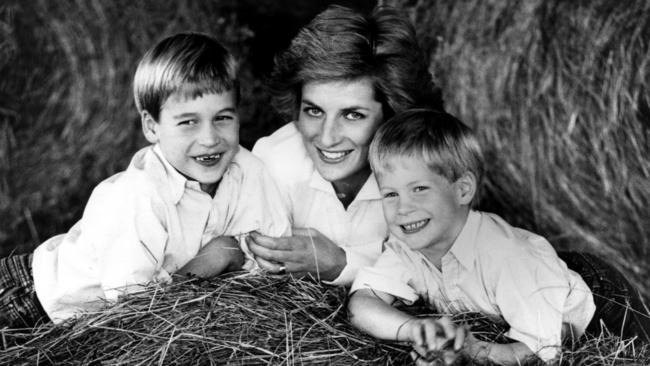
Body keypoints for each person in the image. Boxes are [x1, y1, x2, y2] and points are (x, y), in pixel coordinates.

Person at [0, 33, 290, 328]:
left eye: (223, 118)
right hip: (27, 299)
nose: (210, 138)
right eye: (188, 122)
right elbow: (136, 313)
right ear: (152, 128)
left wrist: (249, 259)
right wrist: (215, 257)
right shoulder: (137, 196)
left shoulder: (248, 170)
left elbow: (273, 258)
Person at [348, 109, 650, 364]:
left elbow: (535, 352)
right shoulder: (407, 247)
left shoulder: (507, 259)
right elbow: (363, 303)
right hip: (528, 291)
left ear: (463, 190)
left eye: (420, 189)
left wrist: (471, 351)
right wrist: (415, 328)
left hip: (599, 302)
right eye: (390, 194)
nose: (403, 208)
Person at [247, 4, 444, 285]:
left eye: (352, 115)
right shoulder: (272, 161)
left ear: (392, 115)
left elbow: (439, 269)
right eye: (314, 111)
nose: (327, 138)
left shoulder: (428, 170)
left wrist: (339, 263)